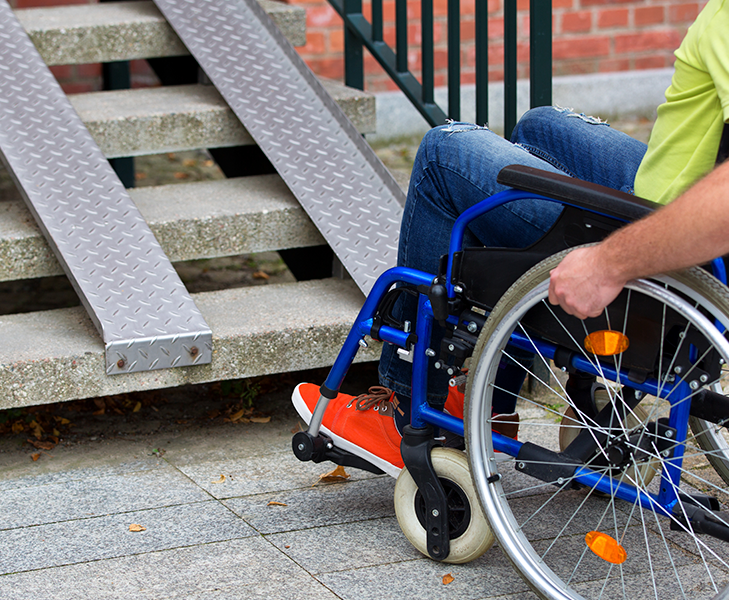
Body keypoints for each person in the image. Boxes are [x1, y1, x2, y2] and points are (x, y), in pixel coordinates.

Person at [293, 0, 729, 478]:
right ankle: (497, 398)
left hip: (662, 241)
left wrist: (609, 262)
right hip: (663, 195)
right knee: (541, 128)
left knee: (445, 153)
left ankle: (411, 406)